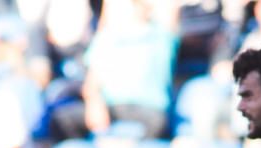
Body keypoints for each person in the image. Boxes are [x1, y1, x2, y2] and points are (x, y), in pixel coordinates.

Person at [49, 0, 179, 139]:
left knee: (159, 123)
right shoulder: (107, 38)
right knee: (61, 119)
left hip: (148, 109)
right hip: (110, 106)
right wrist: (95, 104)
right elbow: (91, 83)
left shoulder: (161, 36)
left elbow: (170, 10)